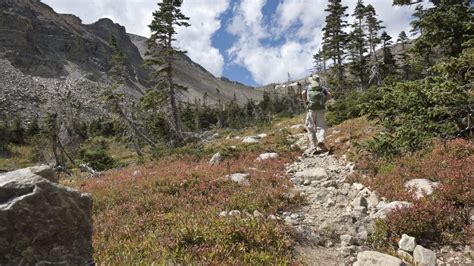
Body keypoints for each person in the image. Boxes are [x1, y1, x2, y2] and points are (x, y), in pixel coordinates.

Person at [301, 74, 331, 154]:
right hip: (320, 109)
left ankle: (313, 146)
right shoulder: (322, 88)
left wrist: (305, 102)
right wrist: (324, 102)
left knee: (310, 128)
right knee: (321, 127)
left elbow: (303, 93)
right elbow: (329, 95)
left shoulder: (308, 87)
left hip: (311, 109)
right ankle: (321, 140)